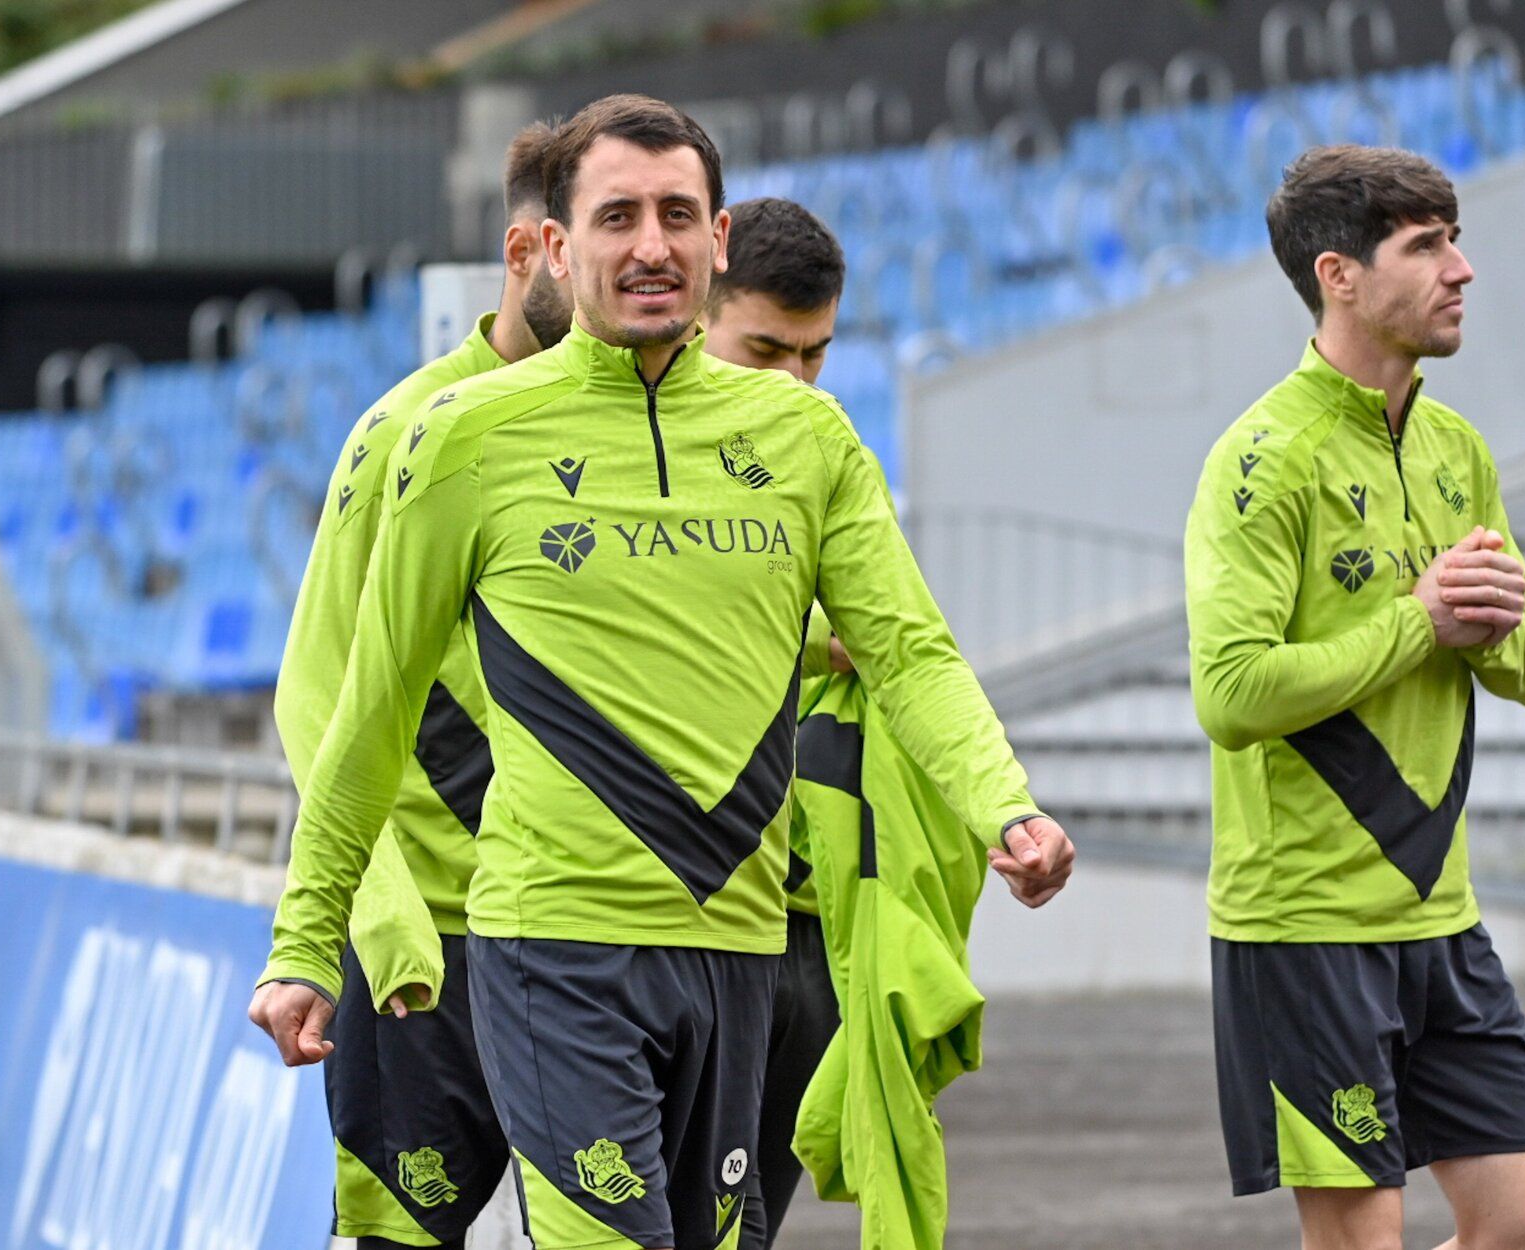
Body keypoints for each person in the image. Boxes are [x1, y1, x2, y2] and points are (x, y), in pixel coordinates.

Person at [252, 94, 1074, 1250]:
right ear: (560, 242)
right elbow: (363, 706)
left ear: (718, 238)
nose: (651, 245)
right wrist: (310, 938)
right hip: (548, 940)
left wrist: (1006, 803)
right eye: (619, 216)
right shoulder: (457, 438)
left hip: (737, 947)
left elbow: (909, 651)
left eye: (677, 215)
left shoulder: (810, 442)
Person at [1185, 145, 1525, 1250]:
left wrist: (1488, 631)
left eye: (1453, 236)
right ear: (1338, 275)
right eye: (1426, 244)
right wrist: (1420, 622)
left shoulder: (1456, 448)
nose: (1462, 268)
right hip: (1305, 925)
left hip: (1440, 917)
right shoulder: (1259, 460)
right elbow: (1231, 690)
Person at [254, 121, 572, 1250]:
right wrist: (380, 914)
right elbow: (313, 689)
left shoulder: (642, 434)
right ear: (529, 249)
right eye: (579, 250)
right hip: (430, 946)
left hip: (588, 934)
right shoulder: (403, 429)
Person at [701, 196, 843, 1249]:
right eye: (765, 350)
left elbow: (907, 642)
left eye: (815, 355)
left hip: (799, 918)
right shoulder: (610, 457)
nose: (794, 382)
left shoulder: (822, 459)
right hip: (644, 928)